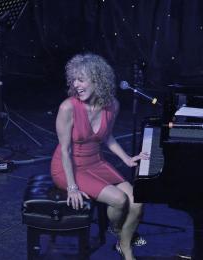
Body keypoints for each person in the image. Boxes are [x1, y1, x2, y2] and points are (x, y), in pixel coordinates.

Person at [50, 53, 147, 260]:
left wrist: (127, 159)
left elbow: (107, 136)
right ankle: (123, 240)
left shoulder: (112, 105)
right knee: (120, 200)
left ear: (98, 80)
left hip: (95, 162)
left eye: (81, 79)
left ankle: (123, 242)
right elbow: (65, 151)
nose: (76, 85)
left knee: (138, 202)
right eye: (74, 79)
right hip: (68, 167)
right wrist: (72, 187)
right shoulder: (68, 108)